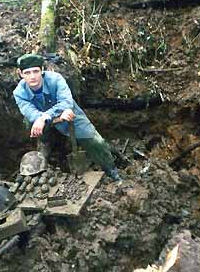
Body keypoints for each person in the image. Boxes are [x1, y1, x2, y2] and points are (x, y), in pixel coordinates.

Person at [13, 53, 122, 182]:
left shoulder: (55, 79)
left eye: (36, 71)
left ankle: (112, 170)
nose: (32, 76)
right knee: (31, 123)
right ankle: (46, 141)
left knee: (96, 141)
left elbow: (66, 102)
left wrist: (46, 117)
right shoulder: (19, 92)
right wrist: (49, 119)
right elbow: (30, 113)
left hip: (69, 114)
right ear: (20, 73)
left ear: (42, 70)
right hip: (44, 122)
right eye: (27, 72)